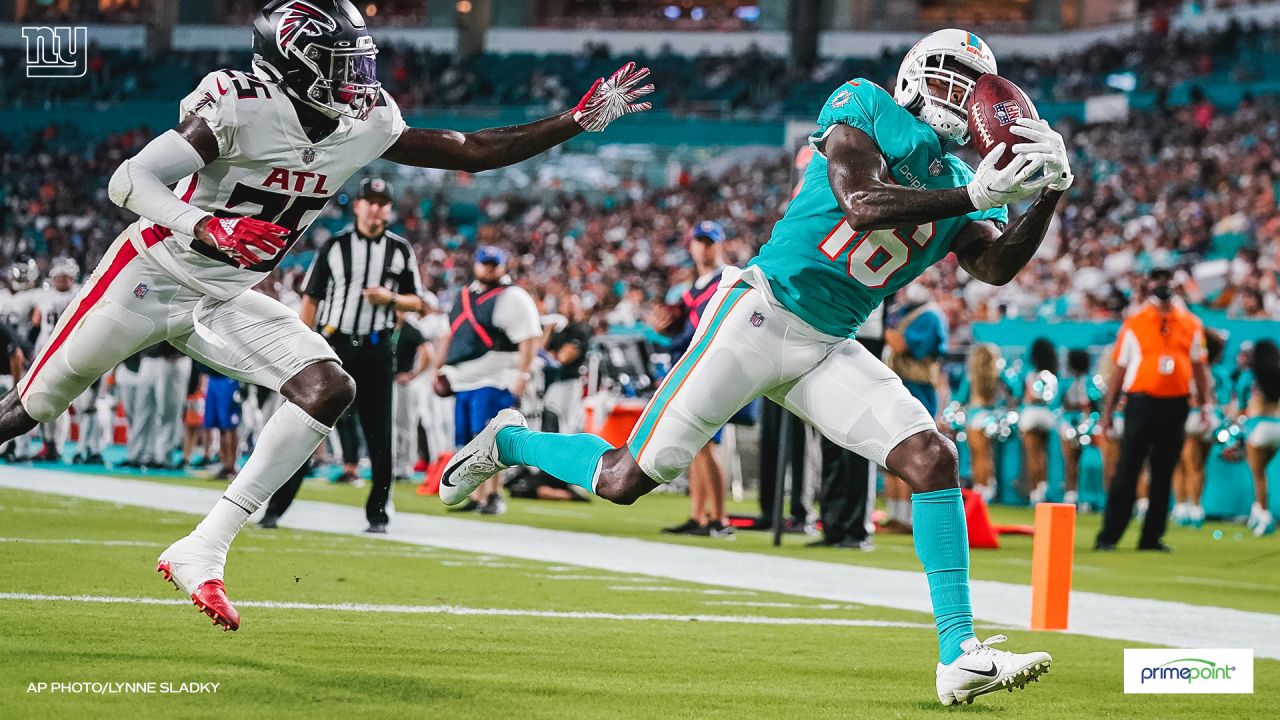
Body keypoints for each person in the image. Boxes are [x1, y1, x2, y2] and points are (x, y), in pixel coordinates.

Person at [440, 28, 1069, 705]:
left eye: (972, 82)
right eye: (949, 74)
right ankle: (509, 441)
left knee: (930, 457)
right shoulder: (864, 103)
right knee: (624, 479)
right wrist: (974, 196)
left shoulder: (966, 180)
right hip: (760, 315)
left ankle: (959, 655)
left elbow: (995, 266)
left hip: (828, 344)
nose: (961, 93)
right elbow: (861, 204)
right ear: (914, 76)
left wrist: (1050, 195)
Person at [0, 0, 653, 631]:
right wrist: (207, 226)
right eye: (339, 65)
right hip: (150, 276)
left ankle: (205, 546)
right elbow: (129, 181)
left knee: (328, 387)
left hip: (227, 295)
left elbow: (470, 149)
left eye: (358, 62)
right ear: (290, 65)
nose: (357, 81)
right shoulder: (237, 106)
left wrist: (572, 120)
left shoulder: (364, 121)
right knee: (31, 409)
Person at [261, 176, 428, 533]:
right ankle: (275, 508)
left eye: (382, 203)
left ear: (389, 209)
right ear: (357, 206)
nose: (375, 208)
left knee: (379, 437)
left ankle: (378, 514)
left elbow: (419, 302)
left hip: (377, 350)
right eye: (370, 201)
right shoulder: (335, 246)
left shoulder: (400, 250)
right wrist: (303, 347)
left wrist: (391, 299)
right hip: (334, 349)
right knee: (306, 428)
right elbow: (312, 298)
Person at [1096, 267, 1214, 552]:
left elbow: (1199, 366)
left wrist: (1206, 403)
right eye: (1158, 281)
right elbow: (1119, 371)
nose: (1163, 286)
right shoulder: (1135, 323)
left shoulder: (1190, 323)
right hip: (1141, 402)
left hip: (1176, 402)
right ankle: (1109, 535)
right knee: (1127, 469)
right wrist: (1108, 413)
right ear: (1149, 287)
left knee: (1164, 472)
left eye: (1167, 281)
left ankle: (1152, 536)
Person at [432, 245, 543, 515]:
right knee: (468, 441)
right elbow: (449, 335)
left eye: (495, 263)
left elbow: (528, 336)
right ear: (476, 264)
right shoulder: (463, 296)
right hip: (463, 381)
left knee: (491, 440)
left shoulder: (513, 296)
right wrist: (438, 368)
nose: (490, 268)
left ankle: (494, 495)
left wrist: (523, 373)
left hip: (495, 377)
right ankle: (476, 495)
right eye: (485, 263)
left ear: (503, 266)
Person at [656, 220, 734, 537]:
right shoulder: (694, 286)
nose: (702, 247)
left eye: (708, 241)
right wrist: (666, 327)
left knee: (707, 445)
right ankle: (699, 515)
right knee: (696, 446)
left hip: (713, 368)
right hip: (693, 366)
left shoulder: (728, 278)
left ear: (719, 244)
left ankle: (720, 519)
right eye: (698, 241)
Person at [882, 283, 949, 531]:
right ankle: (896, 514)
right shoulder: (906, 312)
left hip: (918, 387)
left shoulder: (929, 315)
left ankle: (911, 517)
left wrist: (878, 325)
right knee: (891, 450)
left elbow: (903, 345)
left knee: (915, 450)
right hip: (899, 384)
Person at [1172, 329, 1227, 527]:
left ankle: (1184, 506)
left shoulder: (1192, 368)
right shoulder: (1217, 371)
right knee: (1198, 465)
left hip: (1192, 418)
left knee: (1182, 463)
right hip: (1209, 420)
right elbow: (1224, 399)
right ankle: (1195, 506)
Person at [956, 343, 1005, 502]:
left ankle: (980, 489)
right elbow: (1016, 390)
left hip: (975, 418)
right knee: (987, 456)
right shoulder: (997, 374)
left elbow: (960, 398)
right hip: (992, 417)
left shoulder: (972, 375)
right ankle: (988, 488)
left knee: (978, 456)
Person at [1058, 348, 1104, 508]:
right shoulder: (1072, 382)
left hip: (1083, 423)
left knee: (1080, 461)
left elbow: (1095, 404)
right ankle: (1073, 494)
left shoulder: (1087, 382)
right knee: (1073, 460)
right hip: (1074, 423)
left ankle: (1083, 495)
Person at [1242, 339, 1279, 537]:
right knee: (1263, 469)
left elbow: (1246, 404)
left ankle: (1264, 515)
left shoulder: (1253, 377)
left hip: (1259, 427)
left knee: (1258, 475)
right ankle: (1256, 511)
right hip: (1278, 427)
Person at [1020, 338, 1059, 504]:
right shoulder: (1052, 376)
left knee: (1032, 454)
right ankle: (1042, 488)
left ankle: (1035, 492)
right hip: (1046, 416)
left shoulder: (1031, 375)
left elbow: (1028, 396)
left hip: (1031, 415)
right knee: (1043, 454)